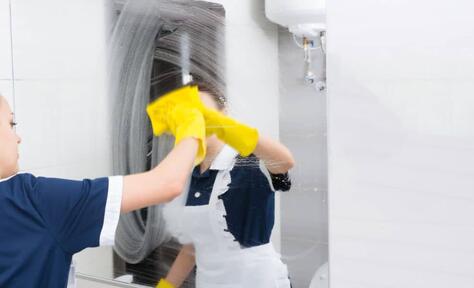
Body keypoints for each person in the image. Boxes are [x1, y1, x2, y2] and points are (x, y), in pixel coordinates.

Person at [0, 85, 251, 288]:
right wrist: (191, 126)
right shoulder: (35, 201)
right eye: (12, 124)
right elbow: (168, 186)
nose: (18, 136)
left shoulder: (244, 168)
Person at [156, 84, 295, 288]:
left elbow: (284, 161)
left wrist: (229, 128)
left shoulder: (249, 162)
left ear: (223, 115)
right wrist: (167, 286)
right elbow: (193, 247)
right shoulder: (188, 174)